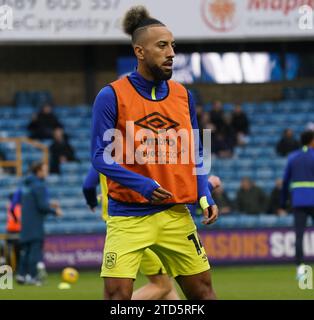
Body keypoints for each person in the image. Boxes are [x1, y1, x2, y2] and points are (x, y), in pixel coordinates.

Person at [91, 6, 218, 300]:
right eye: (162, 45)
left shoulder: (184, 95)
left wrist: (204, 194)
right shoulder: (111, 95)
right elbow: (100, 156)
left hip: (176, 213)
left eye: (173, 45)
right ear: (140, 51)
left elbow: (198, 149)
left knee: (203, 292)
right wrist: (143, 185)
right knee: (117, 298)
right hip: (128, 217)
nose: (171, 52)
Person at [82, 167, 221, 300]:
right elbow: (174, 190)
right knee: (162, 286)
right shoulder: (154, 158)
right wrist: (207, 186)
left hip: (119, 222)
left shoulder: (110, 155)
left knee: (166, 287)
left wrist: (92, 202)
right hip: (146, 219)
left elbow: (88, 186)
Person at [16, 162, 62, 285]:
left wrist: (49, 203)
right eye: (45, 170)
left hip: (25, 223)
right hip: (35, 224)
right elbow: (42, 206)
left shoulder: (27, 185)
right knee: (34, 251)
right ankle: (33, 276)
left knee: (25, 251)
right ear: (39, 171)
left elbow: (33, 202)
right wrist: (54, 211)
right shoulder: (39, 186)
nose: (47, 172)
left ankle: (21, 275)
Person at [280, 130, 314, 279]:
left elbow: (285, 182)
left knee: (299, 236)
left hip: (298, 201)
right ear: (312, 141)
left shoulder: (292, 157)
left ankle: (300, 270)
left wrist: (282, 202)